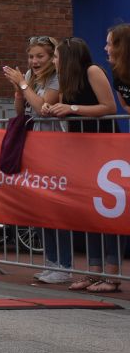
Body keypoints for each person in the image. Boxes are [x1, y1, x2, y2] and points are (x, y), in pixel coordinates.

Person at [42, 37, 119, 293]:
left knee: (108, 211)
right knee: (88, 212)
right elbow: (63, 106)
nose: (54, 61)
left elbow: (109, 106)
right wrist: (51, 108)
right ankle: (92, 271)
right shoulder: (66, 79)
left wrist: (71, 107)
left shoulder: (92, 71)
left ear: (69, 57)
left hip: (103, 147)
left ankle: (112, 273)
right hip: (80, 149)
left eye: (56, 57)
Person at [3, 36, 70, 283]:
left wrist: (23, 85)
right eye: (31, 56)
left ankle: (64, 265)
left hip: (54, 147)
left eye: (40, 56)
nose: (34, 61)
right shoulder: (30, 78)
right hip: (34, 146)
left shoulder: (57, 78)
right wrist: (18, 90)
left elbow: (43, 107)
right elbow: (21, 111)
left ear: (51, 57)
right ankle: (51, 262)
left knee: (55, 207)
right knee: (40, 206)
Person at [106, 23, 130, 114]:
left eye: (109, 44)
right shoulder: (117, 70)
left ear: (122, 47)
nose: (105, 48)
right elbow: (125, 105)